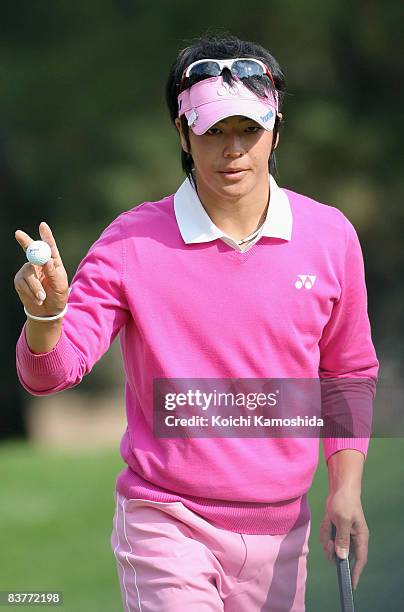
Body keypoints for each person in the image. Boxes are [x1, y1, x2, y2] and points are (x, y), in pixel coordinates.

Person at [14, 33, 379, 611]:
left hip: (286, 532)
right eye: (213, 130)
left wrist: (346, 489)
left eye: (248, 130)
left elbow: (348, 371)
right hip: (167, 522)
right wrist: (46, 314)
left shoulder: (330, 236)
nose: (232, 149)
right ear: (183, 134)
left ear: (276, 130)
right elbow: (52, 371)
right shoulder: (132, 240)